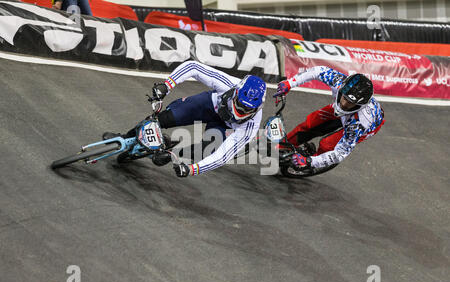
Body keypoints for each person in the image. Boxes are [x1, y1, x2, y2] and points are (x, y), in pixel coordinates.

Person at [104, 60, 267, 178]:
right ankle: (125, 137)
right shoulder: (228, 84)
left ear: (258, 108)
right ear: (236, 91)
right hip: (210, 105)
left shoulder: (251, 126)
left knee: (207, 150)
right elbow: (193, 67)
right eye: (239, 103)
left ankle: (170, 153)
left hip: (223, 126)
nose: (240, 110)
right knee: (163, 119)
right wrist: (167, 85)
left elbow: (222, 156)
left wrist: (192, 169)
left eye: (247, 109)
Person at [273, 66, 385, 170]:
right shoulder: (339, 81)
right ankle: (284, 146)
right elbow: (317, 71)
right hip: (350, 115)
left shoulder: (359, 124)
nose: (344, 104)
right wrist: (289, 83)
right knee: (310, 123)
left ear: (360, 106)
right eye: (344, 98)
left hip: (364, 124)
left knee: (327, 145)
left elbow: (340, 154)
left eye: (351, 103)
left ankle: (311, 164)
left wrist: (309, 161)